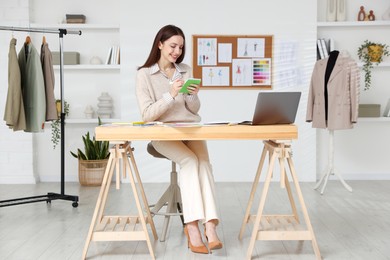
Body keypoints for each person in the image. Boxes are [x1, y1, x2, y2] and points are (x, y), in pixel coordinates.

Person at [135, 24, 222, 254]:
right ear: (160, 44)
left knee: (204, 163)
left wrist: (191, 95)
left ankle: (210, 226)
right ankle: (192, 226)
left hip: (190, 129)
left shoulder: (184, 69)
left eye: (180, 47)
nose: (177, 51)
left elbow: (193, 110)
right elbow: (146, 116)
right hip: (163, 133)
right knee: (190, 162)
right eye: (173, 46)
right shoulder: (144, 74)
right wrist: (170, 94)